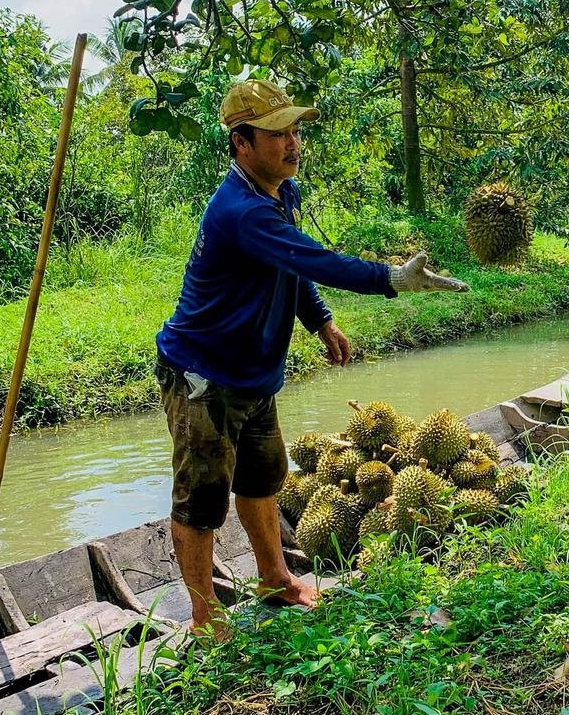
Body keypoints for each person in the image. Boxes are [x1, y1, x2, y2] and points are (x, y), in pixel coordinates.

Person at [155, 79, 469, 637]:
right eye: (278, 135)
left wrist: (320, 320)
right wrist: (393, 278)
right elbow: (316, 259)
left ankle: (274, 576)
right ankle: (204, 614)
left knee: (263, 477)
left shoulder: (279, 194)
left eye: (295, 130)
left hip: (253, 374)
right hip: (204, 376)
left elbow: (291, 269)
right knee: (203, 497)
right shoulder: (240, 211)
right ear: (241, 144)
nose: (292, 143)